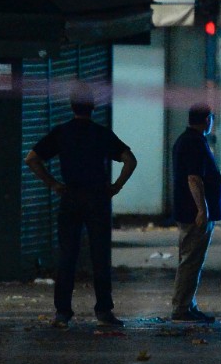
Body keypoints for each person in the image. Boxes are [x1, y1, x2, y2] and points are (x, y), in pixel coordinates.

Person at [25, 84, 137, 329]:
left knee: (67, 256)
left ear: (71, 106)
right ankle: (104, 311)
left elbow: (31, 158)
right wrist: (116, 186)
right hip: (97, 198)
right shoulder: (101, 133)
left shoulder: (62, 133)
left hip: (71, 196)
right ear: (93, 106)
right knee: (99, 255)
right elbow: (130, 160)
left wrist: (53, 184)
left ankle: (63, 312)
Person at [170, 103, 221, 323]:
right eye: (211, 118)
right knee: (191, 261)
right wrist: (202, 209)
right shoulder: (194, 143)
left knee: (190, 259)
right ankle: (182, 307)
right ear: (207, 120)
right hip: (194, 213)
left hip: (188, 210)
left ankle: (187, 304)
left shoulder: (187, 140)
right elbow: (194, 178)